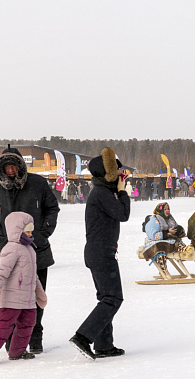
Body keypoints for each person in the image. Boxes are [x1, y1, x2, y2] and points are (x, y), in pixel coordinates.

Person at [0, 145, 59, 354]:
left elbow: (52, 208)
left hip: (37, 251)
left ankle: (35, 339)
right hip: (9, 254)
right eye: (6, 167)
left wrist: (42, 234)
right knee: (9, 300)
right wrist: (3, 240)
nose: (11, 171)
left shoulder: (38, 184)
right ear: (0, 168)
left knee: (36, 298)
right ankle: (11, 342)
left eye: (14, 166)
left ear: (20, 166)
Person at [70, 148, 130, 361]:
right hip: (101, 252)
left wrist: (119, 189)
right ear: (107, 173)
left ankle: (104, 345)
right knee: (113, 298)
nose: (121, 174)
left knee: (106, 297)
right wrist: (123, 191)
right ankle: (83, 336)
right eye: (116, 171)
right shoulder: (102, 193)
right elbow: (123, 214)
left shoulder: (103, 192)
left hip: (99, 251)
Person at [0, 212, 48, 363]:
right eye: (26, 231)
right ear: (16, 230)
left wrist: (39, 291)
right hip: (12, 298)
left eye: (31, 231)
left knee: (28, 324)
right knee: (3, 325)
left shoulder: (30, 249)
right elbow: (2, 273)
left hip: (28, 299)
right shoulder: (11, 248)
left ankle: (17, 351)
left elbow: (33, 274)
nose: (30, 234)